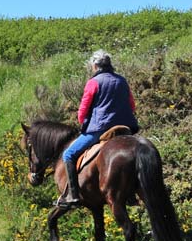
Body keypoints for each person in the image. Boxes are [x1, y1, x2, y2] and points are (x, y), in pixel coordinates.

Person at [57, 50, 140, 208]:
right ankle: (132, 193)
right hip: (125, 127)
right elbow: (132, 105)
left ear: (95, 66)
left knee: (68, 154)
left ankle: (73, 196)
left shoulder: (93, 83)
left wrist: (83, 121)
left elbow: (83, 109)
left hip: (100, 128)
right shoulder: (122, 80)